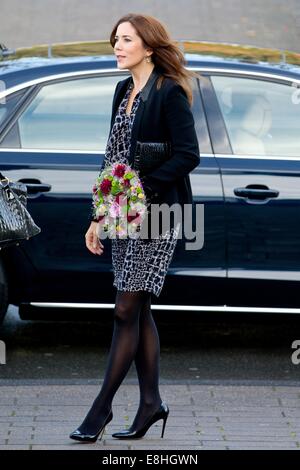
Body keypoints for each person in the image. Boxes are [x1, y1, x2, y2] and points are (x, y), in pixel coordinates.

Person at [70, 13, 200, 443]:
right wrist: (98, 215)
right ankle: (150, 405)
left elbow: (188, 155)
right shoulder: (123, 91)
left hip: (158, 215)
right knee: (138, 309)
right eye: (115, 40)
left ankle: (100, 409)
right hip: (124, 215)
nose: (117, 47)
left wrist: (139, 189)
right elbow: (112, 159)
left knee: (126, 307)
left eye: (126, 40)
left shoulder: (168, 93)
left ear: (148, 46)